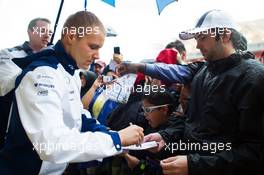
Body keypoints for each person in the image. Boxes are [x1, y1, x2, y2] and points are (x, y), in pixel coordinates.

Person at [118, 9, 264, 175]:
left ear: (225, 36)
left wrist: (194, 165)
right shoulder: (203, 73)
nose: (197, 45)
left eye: (202, 38)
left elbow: (255, 152)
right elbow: (190, 124)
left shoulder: (253, 78)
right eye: (196, 39)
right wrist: (165, 136)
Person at [0, 11, 144, 175]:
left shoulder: (71, 72)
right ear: (71, 37)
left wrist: (106, 132)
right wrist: (116, 140)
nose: (97, 55)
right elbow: (51, 145)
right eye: (93, 47)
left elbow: (76, 114)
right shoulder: (43, 73)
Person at [0, 17, 52, 149]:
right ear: (30, 32)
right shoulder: (8, 54)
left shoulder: (52, 61)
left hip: (35, 129)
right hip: (7, 125)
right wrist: (37, 62)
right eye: (42, 30)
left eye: (50, 32)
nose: (47, 35)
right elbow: (5, 85)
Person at [123, 87, 185, 175]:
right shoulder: (153, 123)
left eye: (148, 110)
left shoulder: (178, 131)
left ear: (164, 109)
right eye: (143, 109)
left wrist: (139, 166)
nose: (145, 114)